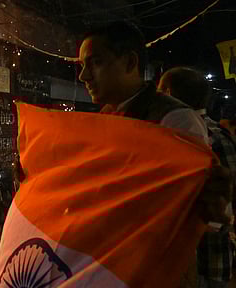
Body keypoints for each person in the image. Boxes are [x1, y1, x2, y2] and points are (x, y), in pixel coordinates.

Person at [77, 21, 231, 227]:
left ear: (130, 62)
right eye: (82, 66)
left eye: (95, 62)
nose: (83, 76)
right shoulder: (107, 117)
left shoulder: (174, 119)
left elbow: (189, 211)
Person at [158, 66, 235, 288]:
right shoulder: (223, 137)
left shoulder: (180, 136)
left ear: (168, 93)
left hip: (192, 259)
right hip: (217, 259)